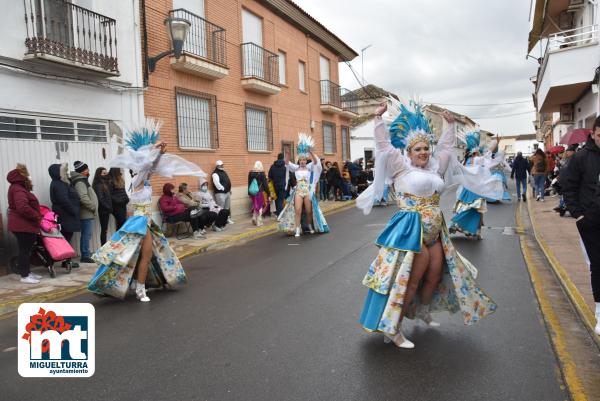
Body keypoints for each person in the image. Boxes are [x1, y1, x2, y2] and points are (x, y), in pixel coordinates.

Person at [356, 100, 500, 348]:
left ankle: (421, 310)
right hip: (411, 232)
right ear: (409, 152)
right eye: (418, 149)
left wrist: (449, 124)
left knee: (434, 276)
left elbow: (445, 147)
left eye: (426, 148)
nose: (423, 152)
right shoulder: (400, 167)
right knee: (410, 280)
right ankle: (394, 328)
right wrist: (378, 120)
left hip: (435, 232)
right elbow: (383, 145)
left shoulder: (436, 168)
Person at [88, 120, 205, 302]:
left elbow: (151, 166)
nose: (148, 170)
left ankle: (137, 283)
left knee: (142, 255)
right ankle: (140, 290)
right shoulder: (136, 181)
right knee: (145, 254)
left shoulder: (145, 179)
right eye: (143, 167)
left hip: (146, 222)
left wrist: (159, 153)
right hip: (139, 222)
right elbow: (145, 166)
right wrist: (154, 148)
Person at [561, 117, 600, 335]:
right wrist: (578, 214)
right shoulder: (582, 158)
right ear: (594, 134)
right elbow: (569, 186)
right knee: (598, 265)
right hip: (591, 221)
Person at [448, 131, 500, 240]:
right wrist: (496, 143)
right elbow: (488, 154)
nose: (480, 153)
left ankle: (470, 229)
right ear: (475, 152)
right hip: (475, 191)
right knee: (478, 212)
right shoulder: (476, 160)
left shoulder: (465, 161)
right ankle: (473, 230)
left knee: (467, 210)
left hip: (466, 190)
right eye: (479, 152)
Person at [278, 134, 330, 237]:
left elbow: (316, 161)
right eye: (301, 160)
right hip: (298, 190)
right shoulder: (296, 168)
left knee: (309, 210)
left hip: (307, 190)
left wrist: (310, 151)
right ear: (299, 161)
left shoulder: (309, 167)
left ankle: (310, 226)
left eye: (304, 160)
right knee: (297, 210)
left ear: (306, 160)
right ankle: (297, 229)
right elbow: (287, 163)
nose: (302, 162)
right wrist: (287, 153)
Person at [7, 164, 43, 284]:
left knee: (26, 250)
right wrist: (36, 215)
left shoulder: (18, 187)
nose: (29, 177)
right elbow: (22, 207)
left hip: (23, 225)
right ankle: (25, 276)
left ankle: (27, 272)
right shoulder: (18, 189)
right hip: (22, 225)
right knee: (24, 251)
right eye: (27, 175)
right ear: (21, 176)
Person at [48, 163, 80, 270]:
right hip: (66, 215)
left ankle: (67, 261)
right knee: (66, 239)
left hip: (66, 215)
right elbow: (64, 200)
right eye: (63, 171)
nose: (66, 172)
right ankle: (66, 262)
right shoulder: (58, 184)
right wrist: (73, 211)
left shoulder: (60, 183)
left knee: (66, 238)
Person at [70, 160, 98, 263]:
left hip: (87, 213)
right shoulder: (80, 182)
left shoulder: (82, 180)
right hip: (85, 213)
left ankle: (86, 252)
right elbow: (83, 197)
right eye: (87, 169)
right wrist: (93, 206)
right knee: (86, 234)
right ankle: (85, 255)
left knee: (87, 234)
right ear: (82, 171)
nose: (88, 171)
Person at [92, 167, 112, 245]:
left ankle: (104, 246)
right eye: (103, 173)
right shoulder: (98, 184)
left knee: (105, 229)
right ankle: (103, 246)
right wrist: (108, 207)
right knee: (104, 230)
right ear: (99, 174)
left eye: (106, 173)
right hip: (103, 210)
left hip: (105, 210)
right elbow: (101, 199)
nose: (106, 175)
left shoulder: (105, 183)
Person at [212, 160, 234, 224]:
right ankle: (220, 221)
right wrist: (223, 188)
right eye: (220, 165)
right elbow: (216, 183)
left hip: (227, 192)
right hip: (220, 193)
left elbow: (227, 180)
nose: (222, 166)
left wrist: (228, 189)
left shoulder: (224, 172)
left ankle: (226, 219)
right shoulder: (215, 173)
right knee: (221, 208)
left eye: (222, 165)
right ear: (217, 166)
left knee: (227, 208)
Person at [248, 161, 269, 226]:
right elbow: (265, 185)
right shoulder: (262, 173)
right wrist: (268, 193)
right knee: (259, 206)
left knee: (255, 205)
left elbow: (249, 183)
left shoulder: (250, 173)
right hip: (259, 192)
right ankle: (259, 221)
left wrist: (249, 193)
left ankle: (254, 218)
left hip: (252, 192)